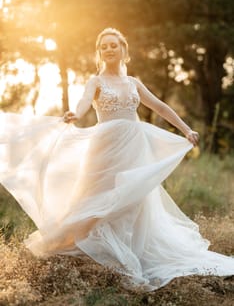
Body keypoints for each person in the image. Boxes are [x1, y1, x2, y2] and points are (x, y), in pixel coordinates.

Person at [0, 28, 233, 291]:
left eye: (114, 45)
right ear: (99, 53)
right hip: (105, 149)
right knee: (95, 199)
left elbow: (160, 107)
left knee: (133, 199)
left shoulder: (134, 83)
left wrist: (186, 129)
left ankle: (128, 252)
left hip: (134, 148)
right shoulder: (95, 82)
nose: (109, 49)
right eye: (104, 46)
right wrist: (75, 114)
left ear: (123, 49)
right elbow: (84, 102)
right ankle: (68, 244)